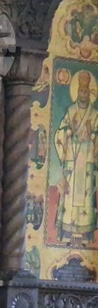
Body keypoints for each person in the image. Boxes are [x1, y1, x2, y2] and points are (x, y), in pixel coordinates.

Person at [54, 70, 98, 244]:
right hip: (72, 159)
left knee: (86, 198)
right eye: (81, 91)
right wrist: (68, 132)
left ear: (90, 94)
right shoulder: (71, 111)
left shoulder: (95, 115)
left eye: (86, 92)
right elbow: (59, 133)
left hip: (87, 161)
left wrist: (93, 137)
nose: (83, 95)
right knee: (70, 196)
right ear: (77, 92)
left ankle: (86, 234)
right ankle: (66, 233)